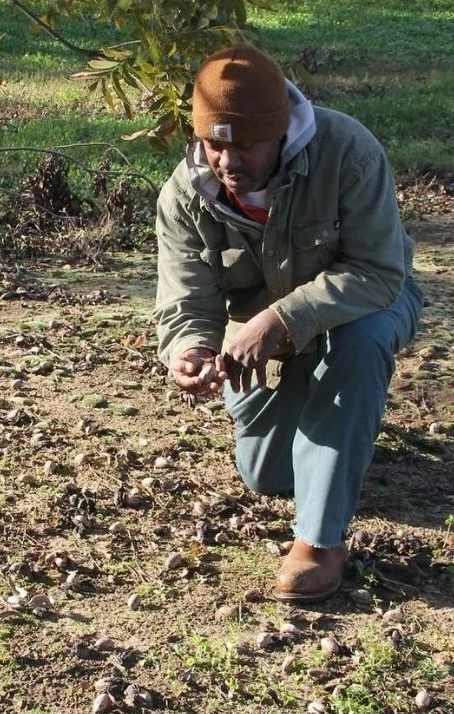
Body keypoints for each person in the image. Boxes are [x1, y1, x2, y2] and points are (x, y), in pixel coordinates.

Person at [154, 43, 424, 602]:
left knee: (361, 342)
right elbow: (186, 299)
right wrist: (191, 349)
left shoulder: (347, 150)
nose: (227, 163)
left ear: (280, 132)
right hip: (271, 338)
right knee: (268, 476)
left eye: (246, 145)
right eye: (213, 144)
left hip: (372, 302)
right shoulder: (185, 194)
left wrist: (280, 318)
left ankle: (321, 543)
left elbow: (378, 271)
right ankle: (329, 426)